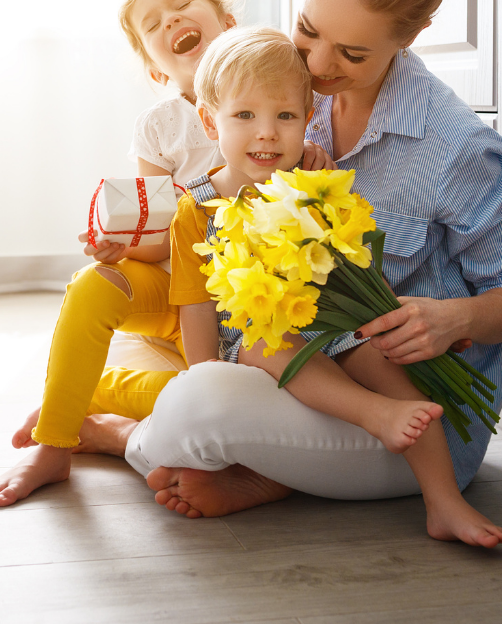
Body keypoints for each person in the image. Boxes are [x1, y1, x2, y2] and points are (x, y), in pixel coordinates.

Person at [79, 0, 502, 549]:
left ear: (414, 35)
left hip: (416, 411)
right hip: (303, 366)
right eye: (307, 32)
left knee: (192, 406)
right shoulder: (286, 88)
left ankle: (144, 441)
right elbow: (210, 188)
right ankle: (253, 470)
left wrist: (458, 318)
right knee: (184, 371)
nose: (320, 68)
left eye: (352, 54)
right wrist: (128, 240)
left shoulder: (454, 145)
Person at [0, 0, 330, 507]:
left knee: (225, 392)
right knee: (93, 283)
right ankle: (54, 444)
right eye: (153, 23)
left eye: (182, 3)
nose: (170, 18)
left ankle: (91, 401)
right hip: (177, 294)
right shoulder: (159, 127)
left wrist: (311, 158)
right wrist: (123, 245)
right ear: (153, 65)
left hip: (256, 310)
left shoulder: (281, 92)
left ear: (228, 24)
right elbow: (160, 229)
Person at [171, 25, 444, 459]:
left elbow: (356, 265)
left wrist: (388, 318)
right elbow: (196, 308)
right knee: (268, 343)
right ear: (209, 121)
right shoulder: (197, 209)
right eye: (244, 116)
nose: (267, 133)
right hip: (254, 347)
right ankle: (375, 413)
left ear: (308, 118)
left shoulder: (314, 185)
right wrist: (204, 381)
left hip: (332, 329)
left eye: (285, 116)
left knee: (388, 364)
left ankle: (444, 497)